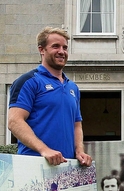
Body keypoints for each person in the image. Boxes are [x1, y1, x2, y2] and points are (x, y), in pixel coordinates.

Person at [8, 26, 93, 167]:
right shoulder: (28, 81)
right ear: (41, 50)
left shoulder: (73, 88)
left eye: (65, 47)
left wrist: (79, 151)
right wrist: (44, 150)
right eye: (56, 46)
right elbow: (14, 122)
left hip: (67, 167)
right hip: (34, 165)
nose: (62, 51)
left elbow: (77, 125)